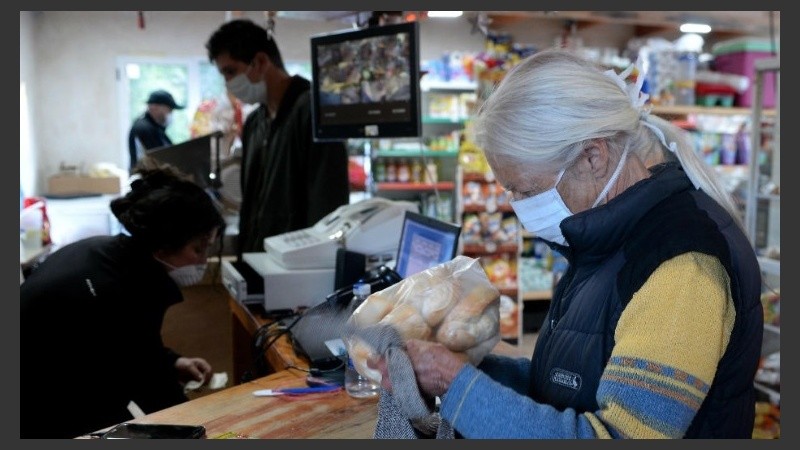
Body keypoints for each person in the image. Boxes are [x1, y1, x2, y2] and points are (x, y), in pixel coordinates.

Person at [369, 50, 763, 439]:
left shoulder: (682, 268)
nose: (520, 207)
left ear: (592, 156)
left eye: (527, 190)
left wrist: (458, 387)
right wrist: (472, 372)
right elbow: (572, 386)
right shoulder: (608, 235)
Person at [20, 160, 226, 438]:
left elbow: (130, 350)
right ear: (164, 243)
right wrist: (202, 429)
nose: (203, 260)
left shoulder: (107, 253)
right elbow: (150, 386)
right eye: (197, 248)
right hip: (38, 407)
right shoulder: (119, 290)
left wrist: (171, 363)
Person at [205, 19, 350, 259]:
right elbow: (251, 205)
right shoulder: (255, 124)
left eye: (231, 71)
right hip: (258, 261)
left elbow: (328, 203)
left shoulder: (315, 113)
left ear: (260, 62)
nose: (228, 83)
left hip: (298, 267)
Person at [128, 89, 185, 172]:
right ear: (154, 107)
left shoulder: (155, 128)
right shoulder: (144, 128)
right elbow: (159, 159)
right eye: (169, 110)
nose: (170, 114)